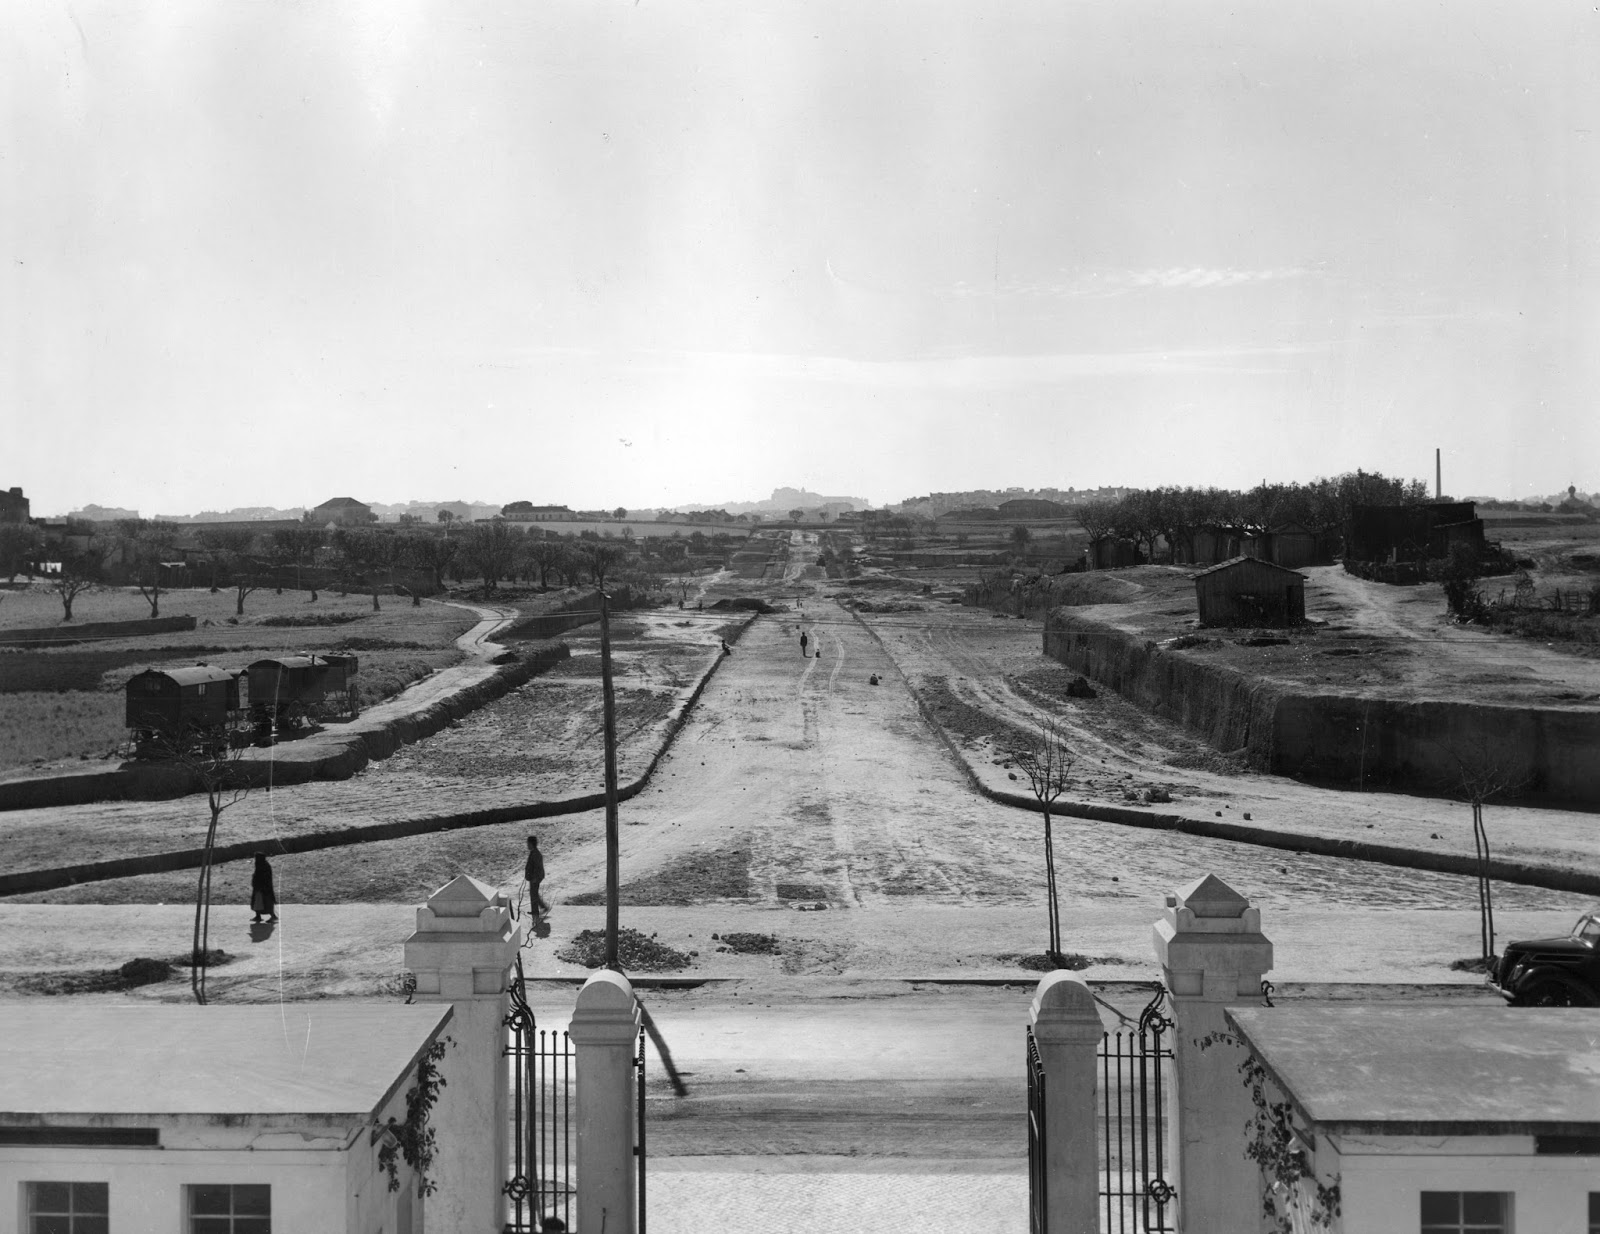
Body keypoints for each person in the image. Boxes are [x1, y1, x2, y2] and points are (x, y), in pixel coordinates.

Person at [525, 836, 550, 919]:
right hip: (534, 877)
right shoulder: (534, 852)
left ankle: (538, 909)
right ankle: (538, 909)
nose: (527, 845)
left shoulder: (535, 854)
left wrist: (535, 878)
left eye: (528, 843)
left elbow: (537, 867)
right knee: (534, 893)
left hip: (535, 877)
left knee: (534, 893)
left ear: (532, 844)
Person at [251, 853, 277, 924]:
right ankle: (258, 916)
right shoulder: (260, 864)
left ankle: (273, 916)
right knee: (257, 903)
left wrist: (260, 885)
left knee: (267, 903)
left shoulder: (265, 866)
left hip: (265, 889)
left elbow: (265, 878)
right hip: (258, 888)